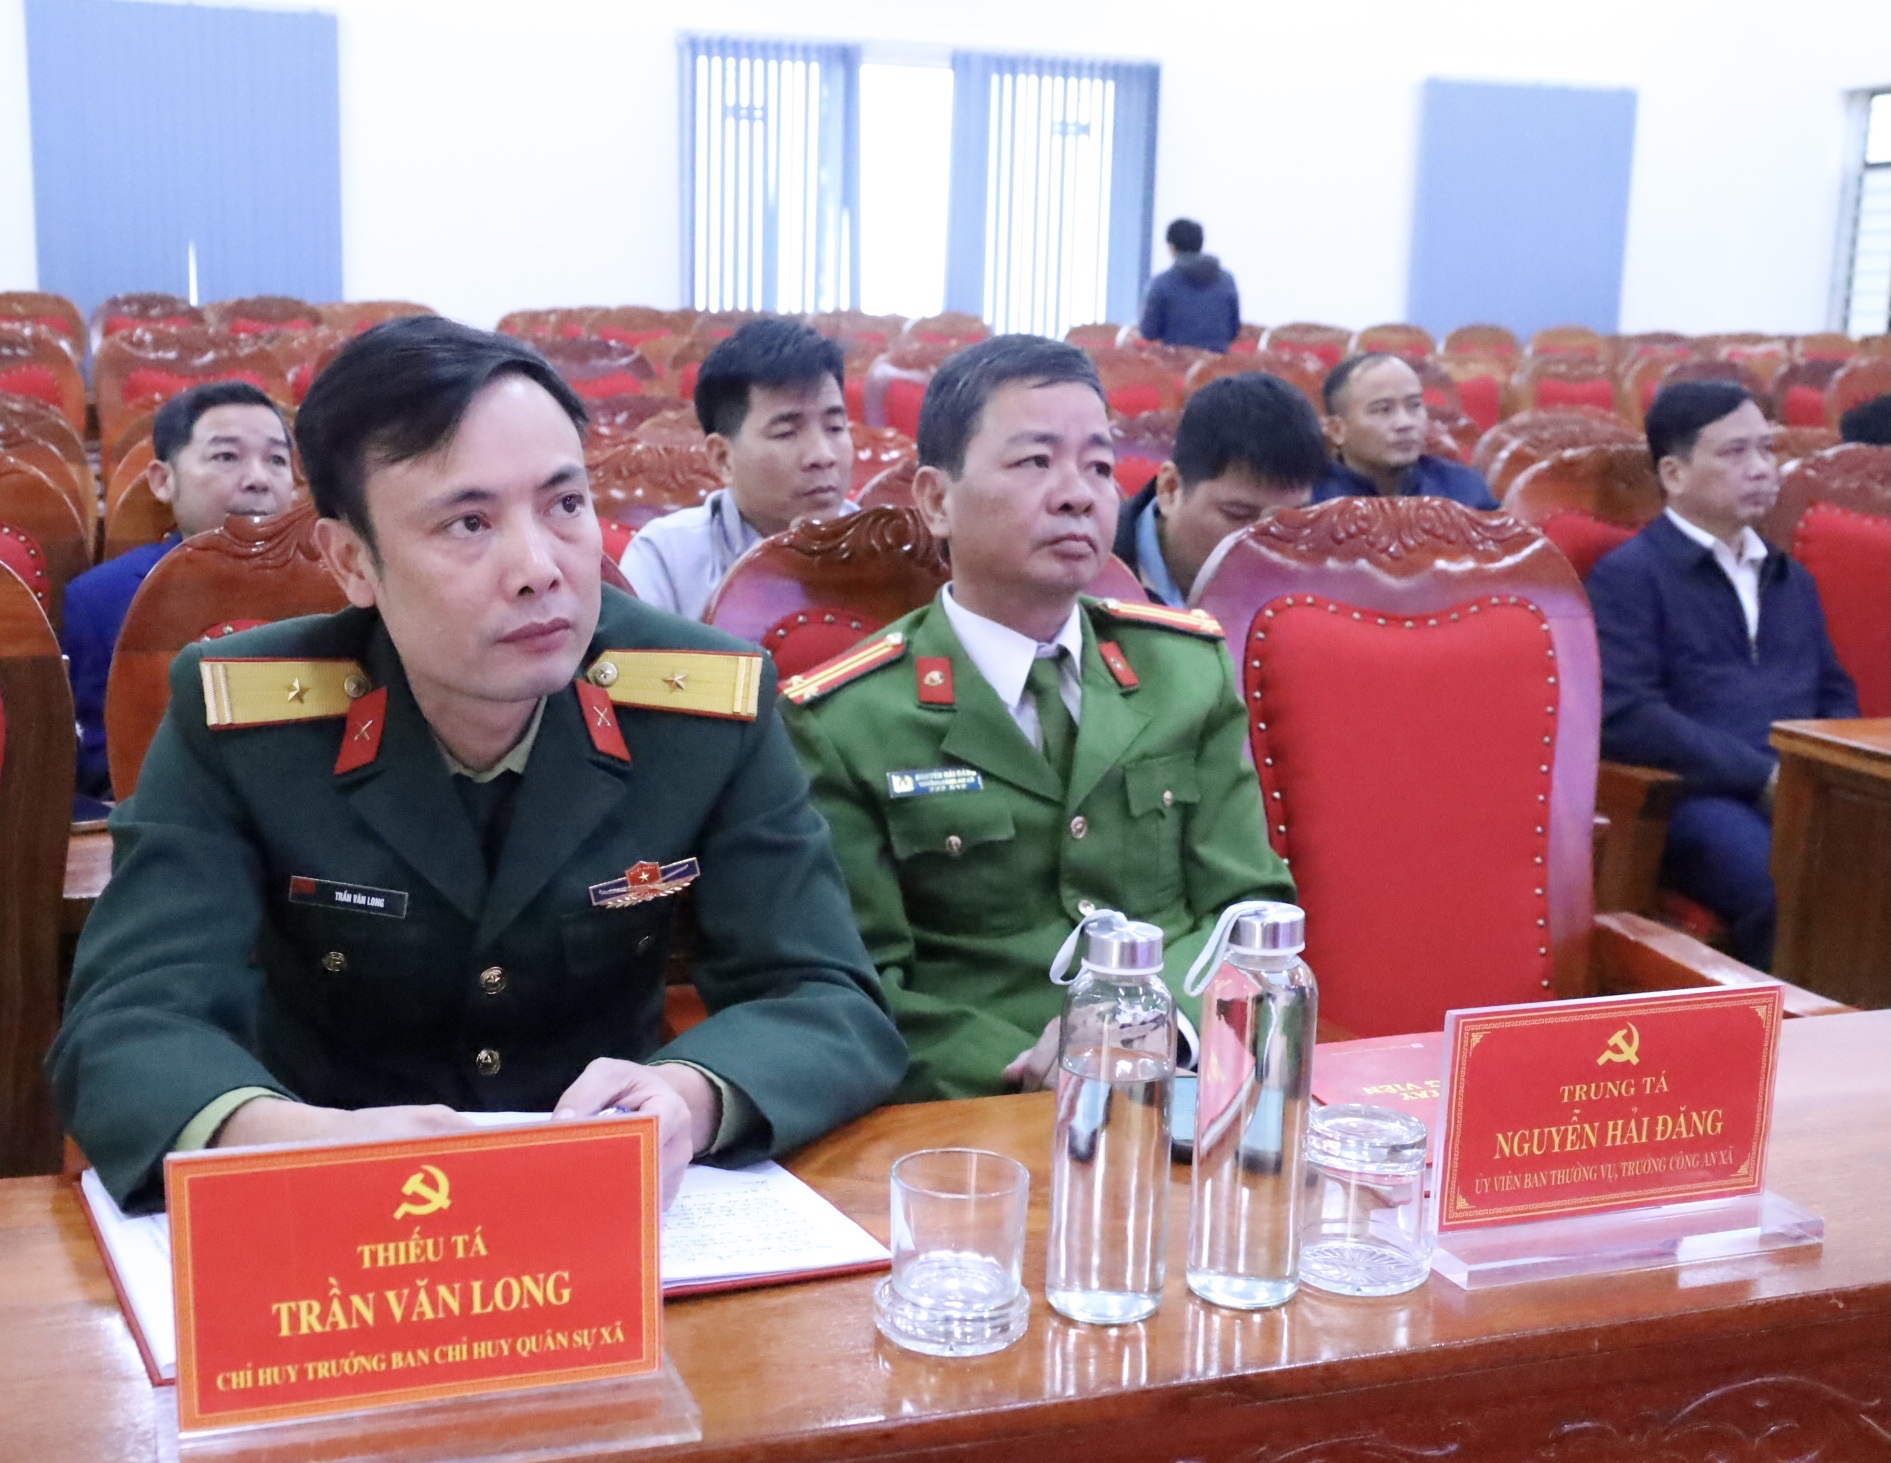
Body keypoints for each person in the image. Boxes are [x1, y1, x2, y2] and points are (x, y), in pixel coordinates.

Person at [49, 317, 907, 1212]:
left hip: (608, 1203)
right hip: (341, 1211)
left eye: (565, 505)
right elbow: (126, 1024)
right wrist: (290, 1139)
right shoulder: (244, 719)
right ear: (353, 562)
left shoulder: (703, 708)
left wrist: (687, 1097)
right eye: (468, 522)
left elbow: (826, 996)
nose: (540, 568)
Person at [782, 336, 1294, 1102]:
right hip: (970, 1113)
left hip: (1180, 1085)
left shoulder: (1185, 670)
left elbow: (1250, 912)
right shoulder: (847, 717)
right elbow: (854, 983)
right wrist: (1028, 1067)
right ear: (936, 500)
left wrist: (1160, 1030)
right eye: (1034, 462)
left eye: (1098, 466)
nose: (1077, 495)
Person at [1586, 381, 1858, 969]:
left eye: (1766, 449)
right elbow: (1628, 715)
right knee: (1789, 887)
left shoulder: (1790, 577)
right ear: (1674, 473)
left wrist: (1841, 778)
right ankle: (1801, 1027)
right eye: (1735, 453)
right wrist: (1763, 776)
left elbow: (1834, 692)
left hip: (1805, 792)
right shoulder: (1629, 576)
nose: (1761, 469)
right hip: (1697, 798)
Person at [60, 381, 297, 798]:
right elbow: (99, 766)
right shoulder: (99, 601)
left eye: (277, 459)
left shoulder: (343, 585)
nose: (259, 480)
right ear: (163, 480)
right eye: (227, 457)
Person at [621, 317, 856, 620]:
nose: (823, 456)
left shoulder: (891, 549)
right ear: (722, 458)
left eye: (835, 427)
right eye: (786, 433)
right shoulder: (666, 558)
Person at [1111, 372, 1327, 605]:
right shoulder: (1092, 570)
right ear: (1170, 489)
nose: (1266, 545)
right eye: (1238, 515)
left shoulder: (1330, 574)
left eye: (1289, 521)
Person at [1312, 353, 1497, 509]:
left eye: (1414, 405)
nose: (1405, 423)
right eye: (1383, 409)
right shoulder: (1310, 498)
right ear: (1336, 430)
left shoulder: (1463, 488)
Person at [1138, 218, 1241, 354]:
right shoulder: (1227, 280)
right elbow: (1233, 331)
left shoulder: (1162, 283)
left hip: (1175, 362)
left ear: (1172, 247)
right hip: (1218, 363)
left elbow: (1149, 332)